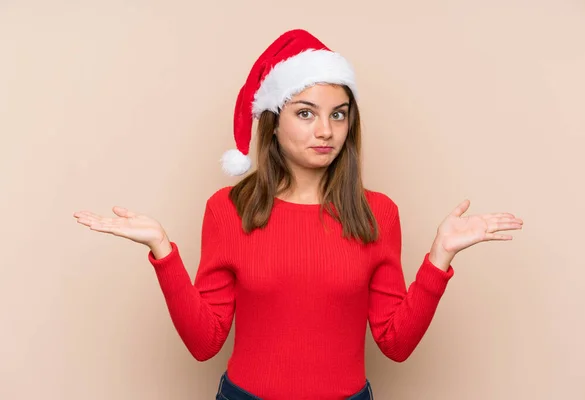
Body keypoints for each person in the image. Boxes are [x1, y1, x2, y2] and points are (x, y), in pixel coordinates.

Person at [73, 29, 523, 400]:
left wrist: (439, 258)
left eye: (339, 115)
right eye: (306, 113)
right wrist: (163, 251)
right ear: (274, 121)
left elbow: (396, 343)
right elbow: (204, 342)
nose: (325, 130)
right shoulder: (229, 209)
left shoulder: (377, 213)